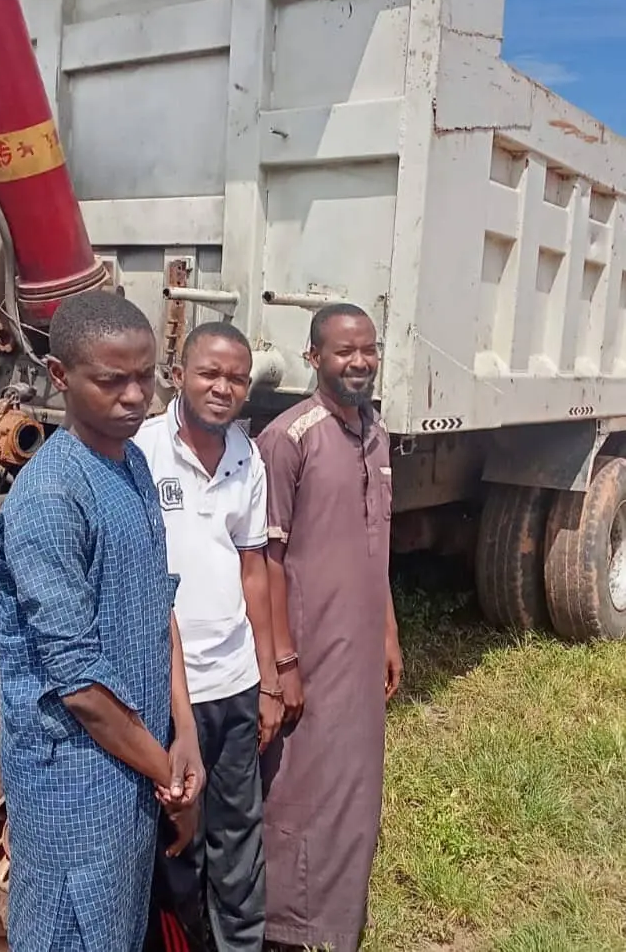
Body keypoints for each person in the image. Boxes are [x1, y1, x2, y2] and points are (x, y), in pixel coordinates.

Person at [0, 290, 206, 952]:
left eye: (146, 375)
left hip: (137, 768)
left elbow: (155, 601)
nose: (135, 395)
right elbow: (79, 683)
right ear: (60, 377)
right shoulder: (52, 496)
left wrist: (186, 728)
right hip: (73, 788)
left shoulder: (132, 462)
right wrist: (169, 776)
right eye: (113, 380)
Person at [256, 303, 404, 952]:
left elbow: (378, 546)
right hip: (306, 653)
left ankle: (339, 921)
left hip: (357, 650)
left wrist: (388, 634)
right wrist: (281, 664)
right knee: (300, 783)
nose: (359, 362)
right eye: (344, 351)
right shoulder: (289, 438)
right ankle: (285, 924)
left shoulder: (376, 432)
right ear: (313, 357)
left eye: (367, 349)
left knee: (354, 783)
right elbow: (264, 560)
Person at [135, 322, 283, 951]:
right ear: (179, 374)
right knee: (175, 835)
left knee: (238, 828)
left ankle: (240, 943)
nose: (223, 388)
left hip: (235, 680)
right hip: (166, 688)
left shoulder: (249, 457)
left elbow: (255, 569)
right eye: (210, 373)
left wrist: (271, 677)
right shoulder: (140, 449)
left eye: (236, 378)